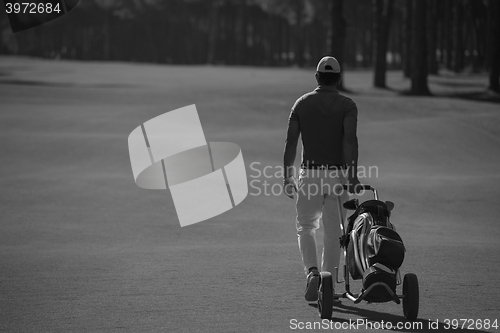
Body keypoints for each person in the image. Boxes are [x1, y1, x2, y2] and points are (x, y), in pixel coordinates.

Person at [282, 56, 360, 302]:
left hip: (309, 174)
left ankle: (313, 273)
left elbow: (291, 142)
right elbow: (349, 140)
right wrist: (353, 175)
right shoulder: (347, 105)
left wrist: (287, 176)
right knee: (335, 233)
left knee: (306, 227)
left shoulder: (302, 103)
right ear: (338, 78)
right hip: (337, 175)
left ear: (317, 77)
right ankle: (328, 286)